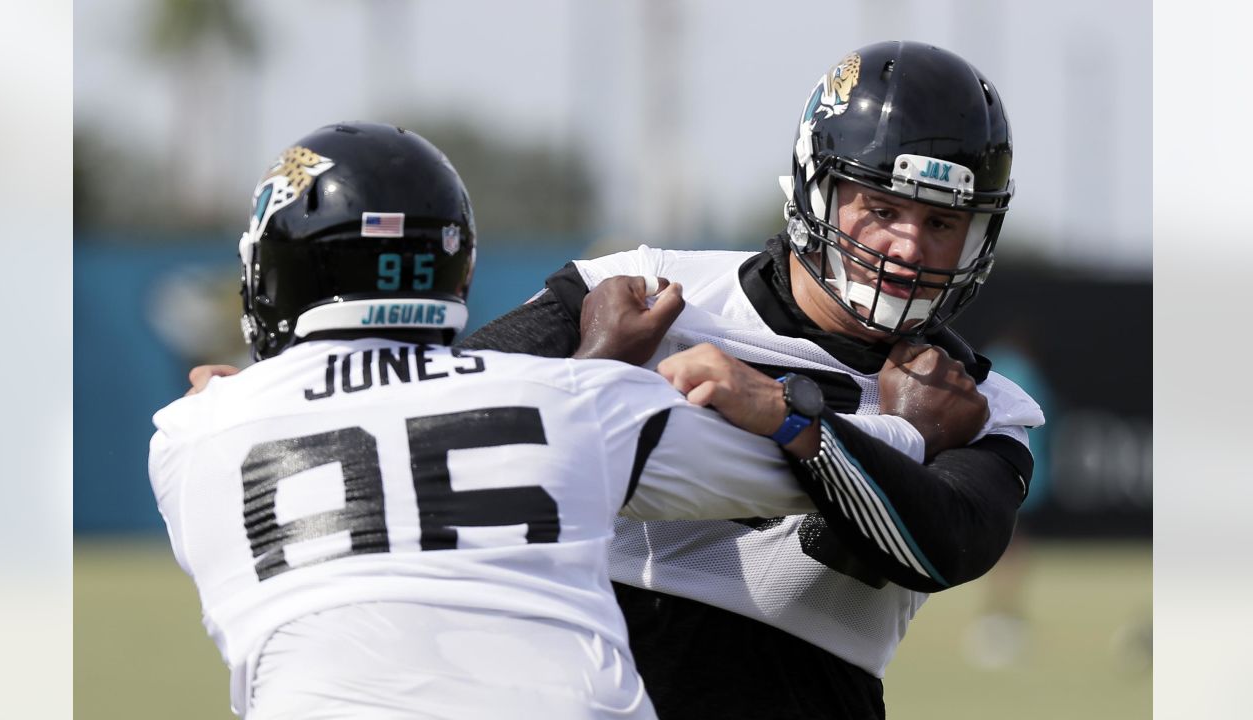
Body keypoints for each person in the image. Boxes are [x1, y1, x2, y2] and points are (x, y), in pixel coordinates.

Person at [151, 122, 922, 719]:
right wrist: (908, 428)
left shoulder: (191, 434)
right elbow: (807, 474)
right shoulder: (574, 400)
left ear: (269, 275)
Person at [455, 41, 1046, 719]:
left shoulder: (977, 402)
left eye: (941, 222)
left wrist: (783, 413)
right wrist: (593, 368)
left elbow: (946, 548)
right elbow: (441, 427)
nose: (908, 247)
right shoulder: (647, 292)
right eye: (882, 210)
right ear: (815, 187)